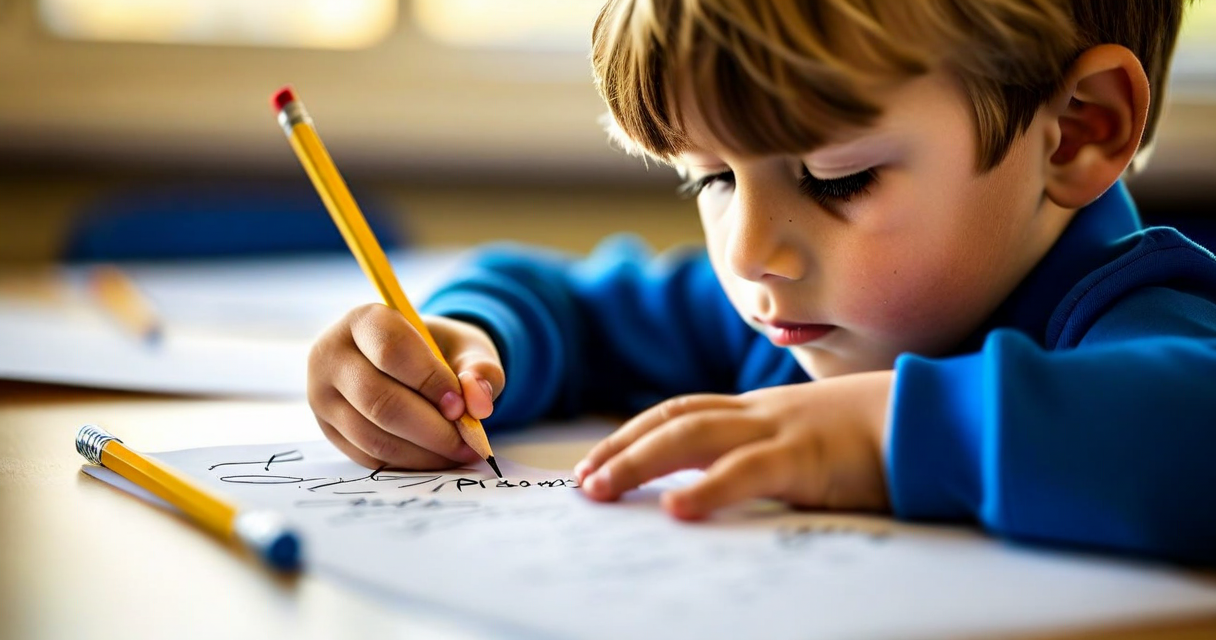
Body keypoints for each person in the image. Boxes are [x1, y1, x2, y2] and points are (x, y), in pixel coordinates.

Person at [307, 0, 1216, 564]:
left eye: (837, 179)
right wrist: (465, 348)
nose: (747, 254)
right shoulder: (793, 319)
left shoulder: (1138, 314)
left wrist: (876, 433)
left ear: (1078, 130)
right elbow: (572, 308)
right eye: (711, 178)